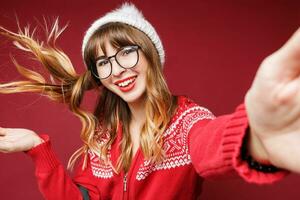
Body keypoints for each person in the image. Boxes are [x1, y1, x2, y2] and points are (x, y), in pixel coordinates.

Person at [0, 2, 300, 200]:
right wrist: (38, 149)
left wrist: (256, 139)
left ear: (149, 54)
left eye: (126, 52)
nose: (117, 70)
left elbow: (211, 142)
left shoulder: (187, 121)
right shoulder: (102, 136)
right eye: (103, 62)